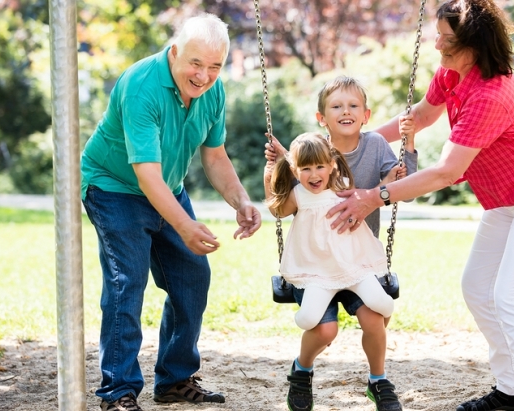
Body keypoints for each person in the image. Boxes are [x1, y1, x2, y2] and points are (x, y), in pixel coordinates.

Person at [327, 1, 514, 410]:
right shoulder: (452, 73)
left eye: (447, 40)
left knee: (513, 298)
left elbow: (446, 172)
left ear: (475, 44)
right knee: (478, 288)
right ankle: (510, 391)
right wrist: (349, 146)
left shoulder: (492, 93)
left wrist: (374, 197)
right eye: (438, 36)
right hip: (507, 195)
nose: (437, 47)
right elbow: (421, 116)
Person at [80, 13, 261, 411]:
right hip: (114, 187)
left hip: (168, 188)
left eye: (215, 66)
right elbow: (145, 175)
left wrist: (242, 200)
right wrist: (183, 224)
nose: (204, 75)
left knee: (192, 278)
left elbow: (214, 157)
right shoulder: (142, 85)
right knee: (127, 282)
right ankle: (118, 392)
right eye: (196, 64)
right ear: (174, 52)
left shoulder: (213, 92)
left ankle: (175, 380)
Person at [265, 76, 418, 411]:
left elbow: (403, 185)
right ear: (322, 117)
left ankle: (378, 380)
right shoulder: (311, 148)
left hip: (358, 257)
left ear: (366, 113)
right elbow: (289, 193)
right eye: (336, 106)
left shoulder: (377, 144)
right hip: (316, 263)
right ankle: (301, 371)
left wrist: (409, 142)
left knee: (376, 320)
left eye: (353, 106)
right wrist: (278, 164)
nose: (345, 111)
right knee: (324, 332)